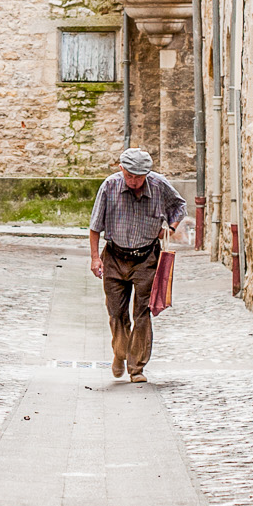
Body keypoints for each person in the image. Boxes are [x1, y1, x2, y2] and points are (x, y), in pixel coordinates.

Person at [88, 147, 186, 384]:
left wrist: (170, 228)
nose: (134, 181)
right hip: (114, 256)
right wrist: (94, 258)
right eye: (130, 175)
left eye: (139, 177)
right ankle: (120, 352)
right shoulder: (109, 186)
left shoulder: (159, 185)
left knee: (142, 313)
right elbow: (95, 226)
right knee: (116, 312)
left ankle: (136, 368)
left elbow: (179, 207)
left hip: (146, 258)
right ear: (121, 169)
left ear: (147, 174)